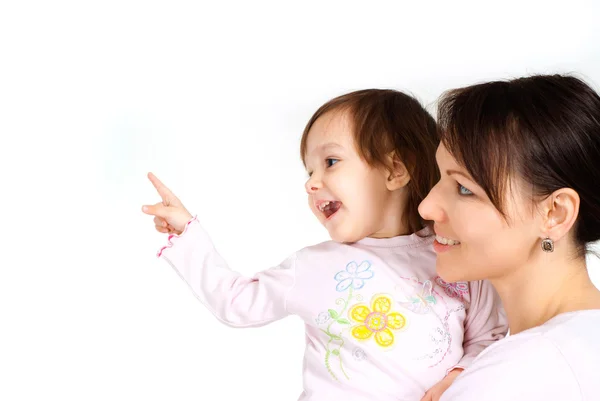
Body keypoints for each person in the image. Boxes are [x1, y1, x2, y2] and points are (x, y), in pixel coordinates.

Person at [142, 89, 507, 401]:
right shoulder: (313, 267)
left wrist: (457, 376)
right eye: (309, 171)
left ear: (395, 170)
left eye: (330, 162)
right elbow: (236, 303)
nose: (311, 184)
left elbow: (489, 337)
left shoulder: (454, 256)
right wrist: (188, 234)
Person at [418, 73, 600, 401]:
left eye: (463, 188)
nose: (426, 207)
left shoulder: (520, 373)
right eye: (438, 178)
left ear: (555, 213)